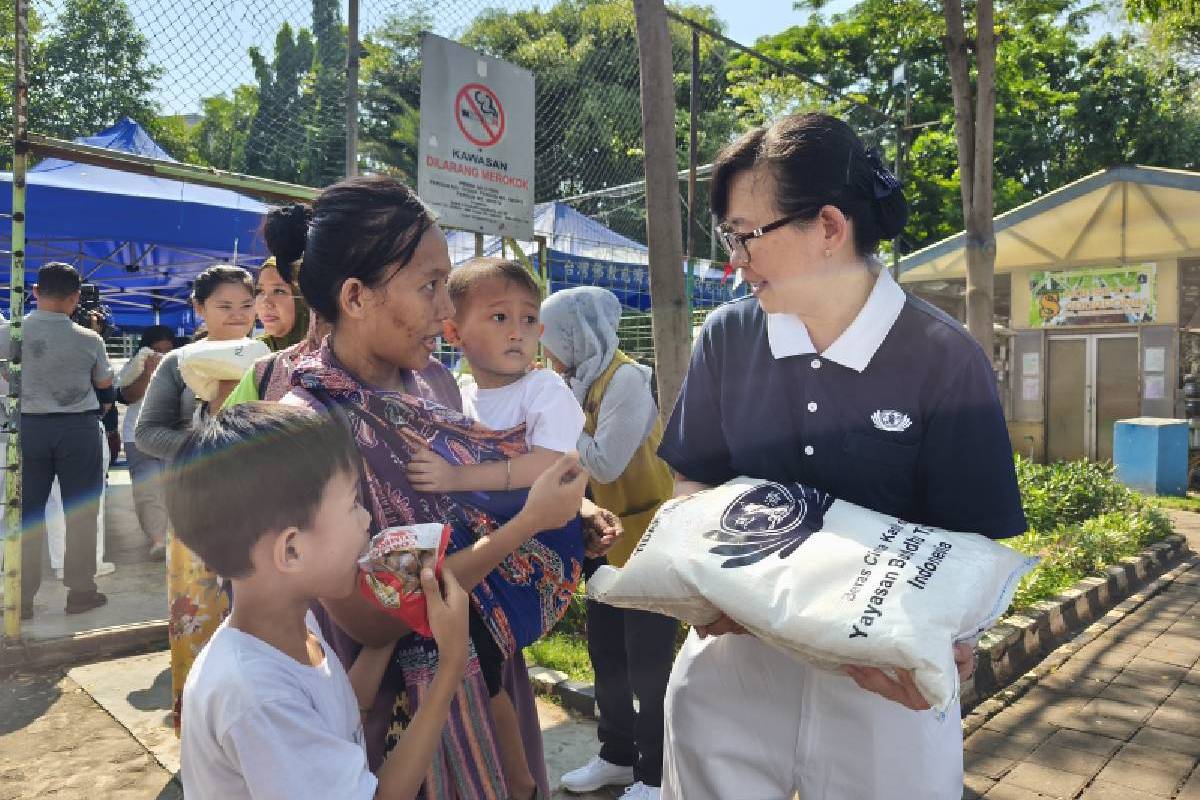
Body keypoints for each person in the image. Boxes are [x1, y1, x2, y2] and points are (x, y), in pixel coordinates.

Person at [655, 113, 1026, 800]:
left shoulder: (943, 359)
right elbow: (692, 480)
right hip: (733, 672)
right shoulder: (729, 338)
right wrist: (698, 573)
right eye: (727, 236)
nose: (733, 259)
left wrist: (951, 642)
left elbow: (970, 541)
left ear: (829, 228)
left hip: (880, 689)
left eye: (745, 235)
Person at [270, 175, 601, 799]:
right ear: (355, 296)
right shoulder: (305, 427)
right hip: (392, 709)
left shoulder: (435, 389)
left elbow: (476, 503)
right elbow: (373, 619)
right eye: (429, 288)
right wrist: (528, 524)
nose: (448, 312)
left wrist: (567, 513)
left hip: (482, 662)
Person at [168, 402, 472, 800]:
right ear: (291, 551)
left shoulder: (292, 626)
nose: (367, 521)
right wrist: (451, 663)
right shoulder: (258, 696)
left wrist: (392, 625)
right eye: (352, 505)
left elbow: (336, 713)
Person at [406, 256, 586, 800]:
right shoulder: (455, 393)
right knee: (469, 648)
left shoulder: (544, 392)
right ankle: (517, 777)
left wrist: (457, 477)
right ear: (454, 332)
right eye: (500, 317)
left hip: (541, 549)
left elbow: (548, 465)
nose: (518, 332)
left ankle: (518, 777)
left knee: (474, 643)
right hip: (487, 545)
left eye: (528, 319)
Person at [540, 286, 676, 800]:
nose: (546, 351)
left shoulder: (628, 382)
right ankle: (617, 756)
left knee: (647, 662)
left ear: (578, 336)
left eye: (551, 338)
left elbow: (602, 462)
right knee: (607, 655)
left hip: (646, 538)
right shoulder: (576, 381)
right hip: (600, 539)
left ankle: (655, 774)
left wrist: (552, 419)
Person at [135, 264, 256, 732]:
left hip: (262, 507)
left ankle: (254, 724)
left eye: (247, 306)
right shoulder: (179, 363)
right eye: (224, 307)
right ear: (199, 308)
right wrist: (205, 442)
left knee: (258, 619)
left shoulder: (267, 357)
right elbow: (148, 434)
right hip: (198, 509)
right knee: (200, 618)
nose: (237, 316)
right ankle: (201, 730)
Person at [0, 262, 114, 618]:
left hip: (27, 428)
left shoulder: (9, 333)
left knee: (24, 513)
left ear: (35, 292)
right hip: (77, 429)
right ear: (75, 298)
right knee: (80, 511)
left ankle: (20, 599)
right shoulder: (89, 338)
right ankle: (81, 592)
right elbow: (105, 387)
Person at [118, 325, 177, 560]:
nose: (161, 354)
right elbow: (128, 396)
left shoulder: (183, 365)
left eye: (166, 349)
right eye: (156, 349)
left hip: (172, 436)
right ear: (145, 350)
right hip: (138, 436)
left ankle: (176, 538)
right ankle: (157, 540)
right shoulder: (134, 367)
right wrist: (147, 372)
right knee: (148, 490)